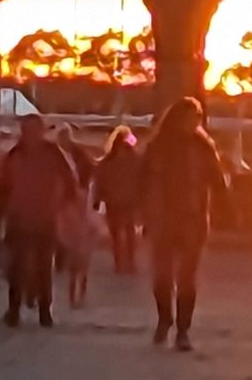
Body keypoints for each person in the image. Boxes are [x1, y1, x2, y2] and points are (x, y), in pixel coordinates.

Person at [137, 94, 229, 350]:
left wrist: (225, 208)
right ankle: (164, 319)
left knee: (187, 278)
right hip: (163, 219)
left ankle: (183, 330)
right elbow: (143, 182)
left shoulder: (203, 147)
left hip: (193, 219)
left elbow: (217, 180)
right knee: (163, 276)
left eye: (197, 118)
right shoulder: (158, 147)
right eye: (190, 118)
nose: (193, 123)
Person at [0, 113, 78, 328]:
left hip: (44, 217)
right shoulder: (15, 154)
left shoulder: (52, 154)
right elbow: (3, 184)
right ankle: (14, 309)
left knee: (43, 266)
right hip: (19, 216)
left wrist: (65, 204)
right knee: (16, 267)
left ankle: (44, 310)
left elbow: (68, 180)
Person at [93, 123, 143, 274]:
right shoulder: (134, 161)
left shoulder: (111, 162)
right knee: (124, 233)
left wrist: (98, 198)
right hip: (121, 200)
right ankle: (125, 262)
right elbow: (101, 180)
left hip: (121, 200)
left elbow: (101, 180)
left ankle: (124, 262)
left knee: (124, 233)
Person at [55, 130, 95, 308]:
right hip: (70, 205)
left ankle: (78, 295)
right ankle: (76, 295)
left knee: (79, 261)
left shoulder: (74, 155)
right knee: (78, 261)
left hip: (73, 205)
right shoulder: (68, 154)